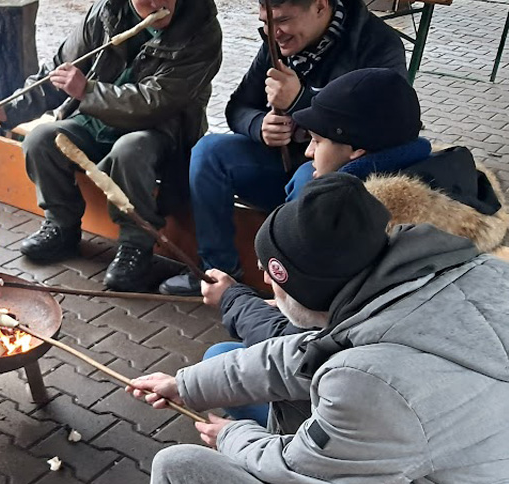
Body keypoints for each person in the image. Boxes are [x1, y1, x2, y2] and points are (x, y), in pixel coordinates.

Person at [132, 173, 509, 483]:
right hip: (430, 448)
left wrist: (231, 436)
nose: (261, 274)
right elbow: (299, 354)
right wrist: (183, 385)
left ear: (306, 289)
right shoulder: (428, 280)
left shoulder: (372, 384)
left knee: (179, 466)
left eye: (270, 268)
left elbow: (296, 470)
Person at [0, 0, 223, 292]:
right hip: (97, 117)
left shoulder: (202, 29)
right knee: (42, 139)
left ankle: (136, 246)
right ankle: (62, 226)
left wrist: (86, 91)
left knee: (129, 151)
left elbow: (156, 101)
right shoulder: (105, 15)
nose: (155, 4)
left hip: (162, 129)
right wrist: (9, 107)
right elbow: (60, 70)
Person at [207, 68, 506, 350]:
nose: (309, 152)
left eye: (317, 141)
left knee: (220, 356)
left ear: (356, 150)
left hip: (373, 379)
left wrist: (234, 300)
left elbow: (313, 349)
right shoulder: (455, 184)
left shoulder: (367, 229)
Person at [161, 0, 407, 296]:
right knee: (208, 152)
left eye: (284, 20)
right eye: (265, 23)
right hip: (278, 163)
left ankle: (295, 290)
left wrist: (303, 99)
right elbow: (237, 107)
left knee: (308, 180)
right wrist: (258, 125)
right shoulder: (276, 44)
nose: (273, 33)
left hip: (342, 176)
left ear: (321, 6)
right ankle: (217, 273)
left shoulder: (379, 45)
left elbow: (383, 126)